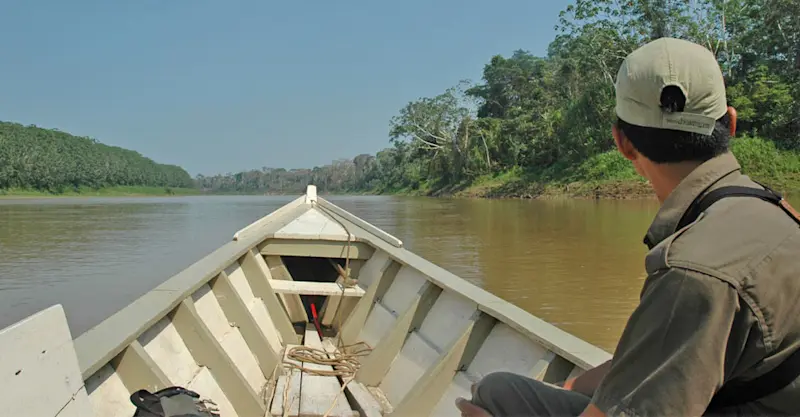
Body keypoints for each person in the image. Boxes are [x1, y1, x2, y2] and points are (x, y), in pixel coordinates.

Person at [455, 37, 800, 417]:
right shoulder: (776, 210)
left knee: (495, 396)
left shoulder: (692, 271)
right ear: (731, 123)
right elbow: (666, 350)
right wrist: (571, 388)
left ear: (622, 142)